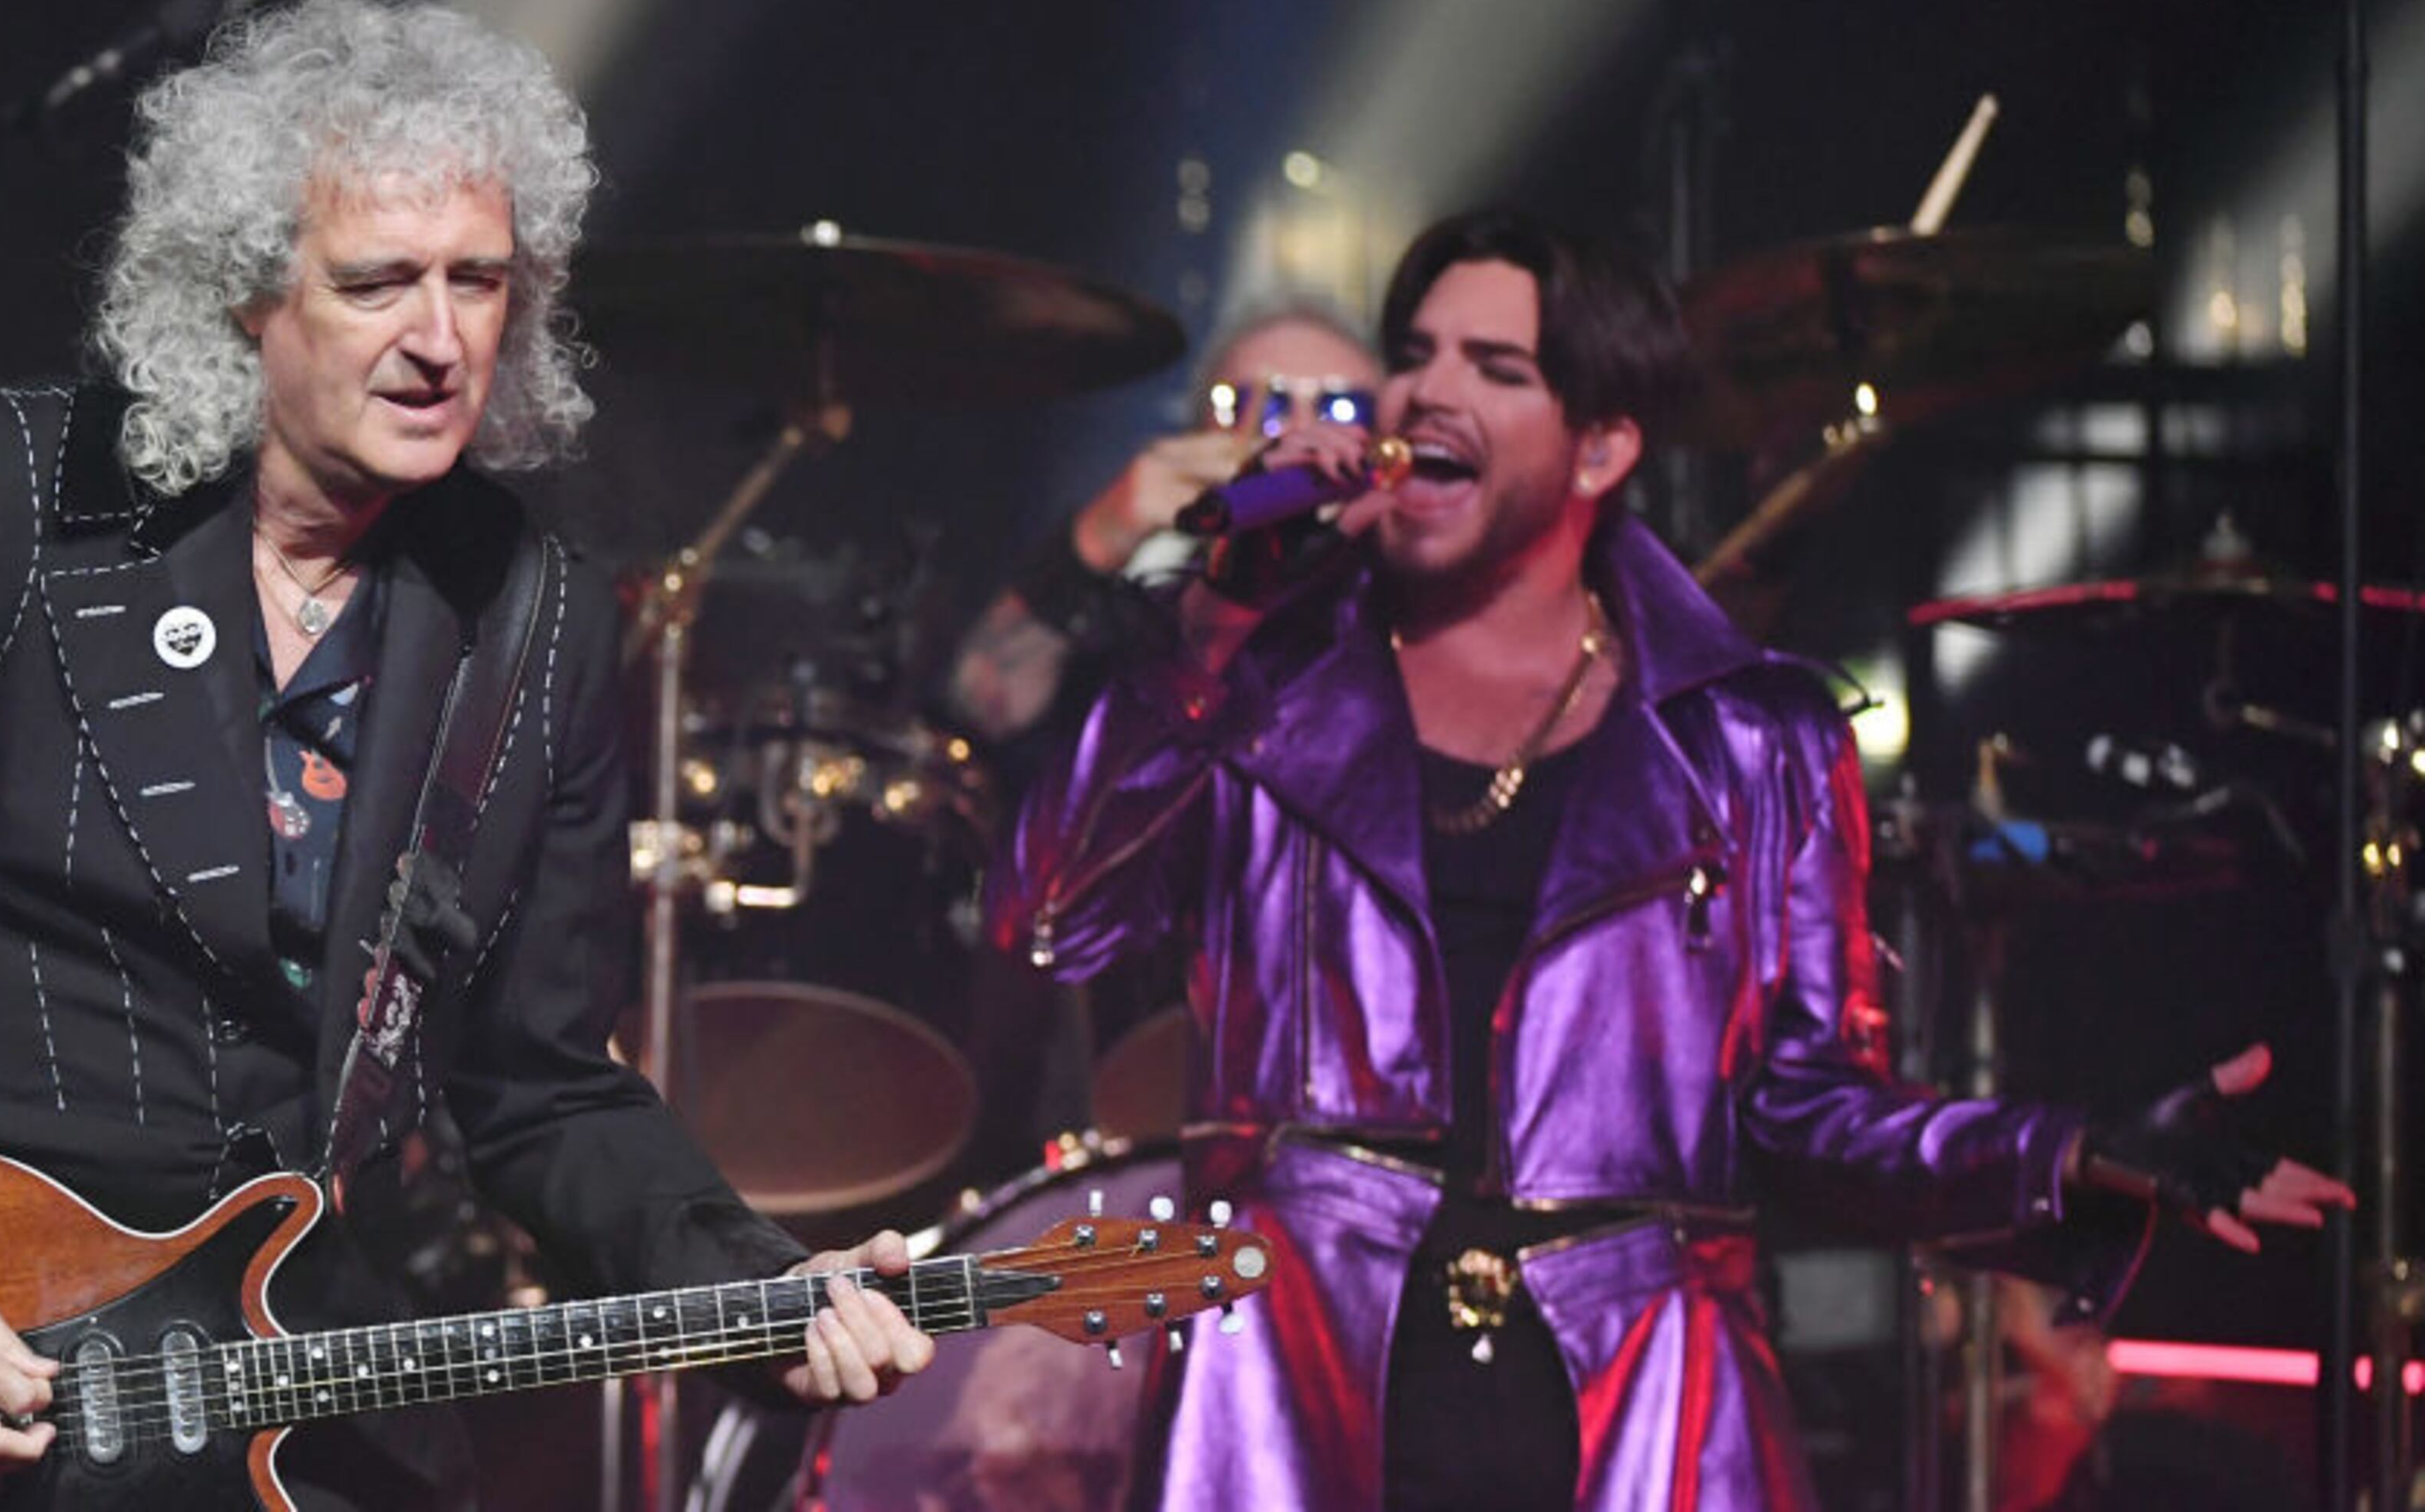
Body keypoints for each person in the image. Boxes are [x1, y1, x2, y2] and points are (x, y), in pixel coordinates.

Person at [0, 0, 929, 1510]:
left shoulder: (533, 614)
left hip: (285, 1387)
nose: (438, 342)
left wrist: (747, 1280)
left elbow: (541, 1084)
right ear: (243, 291)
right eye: (375, 283)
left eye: (479, 283)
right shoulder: (6, 497)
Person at [984, 208, 2350, 1512]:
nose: (1422, 395)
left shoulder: (1752, 742)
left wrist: (2076, 1151)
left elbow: (1812, 1110)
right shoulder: (1262, 686)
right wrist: (1209, 627)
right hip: (1300, 1399)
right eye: (1413, 355)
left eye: (1495, 367)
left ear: (1599, 448)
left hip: (1637, 1414)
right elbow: (1049, 920)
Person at [947, 302, 1382, 749]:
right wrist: (1103, 534)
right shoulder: (1146, 596)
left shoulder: (1404, 600)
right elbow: (983, 708)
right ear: (1199, 431)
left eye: (1343, 408)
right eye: (1259, 404)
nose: (1299, 433)